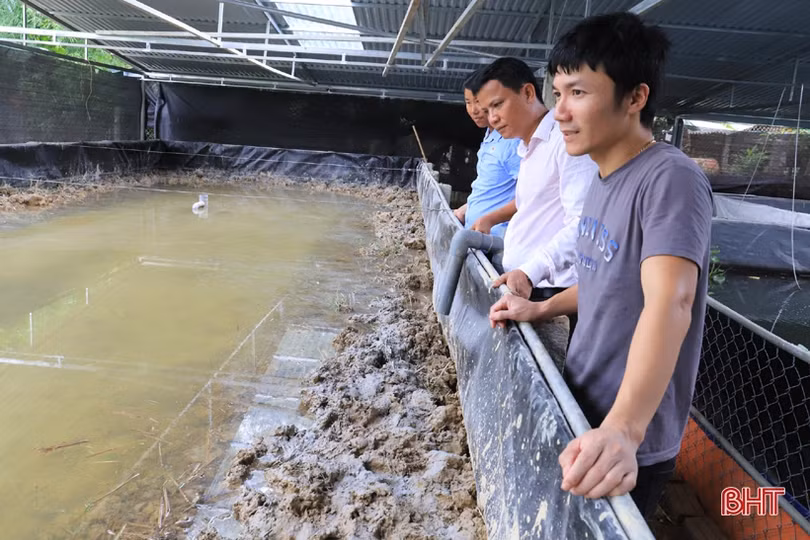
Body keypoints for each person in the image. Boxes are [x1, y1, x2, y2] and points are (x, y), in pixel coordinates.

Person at [489, 13, 713, 519]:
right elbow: (603, 280)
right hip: (584, 402)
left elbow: (670, 300)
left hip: (627, 441)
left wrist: (624, 430)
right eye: (556, 92)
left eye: (577, 93)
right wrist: (539, 309)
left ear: (635, 97)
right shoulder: (600, 179)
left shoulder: (669, 179)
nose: (559, 111)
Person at [474, 57, 597, 317]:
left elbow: (584, 224)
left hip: (551, 293)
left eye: (498, 105)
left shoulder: (565, 143)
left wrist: (532, 271)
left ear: (528, 92)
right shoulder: (528, 148)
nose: (492, 118)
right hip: (526, 285)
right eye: (487, 110)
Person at [453, 70, 522, 238]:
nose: (474, 110)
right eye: (468, 102)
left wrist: (491, 220)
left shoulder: (512, 141)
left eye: (478, 102)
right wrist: (466, 208)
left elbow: (529, 197)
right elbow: (491, 189)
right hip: (476, 235)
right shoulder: (490, 136)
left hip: (494, 241)